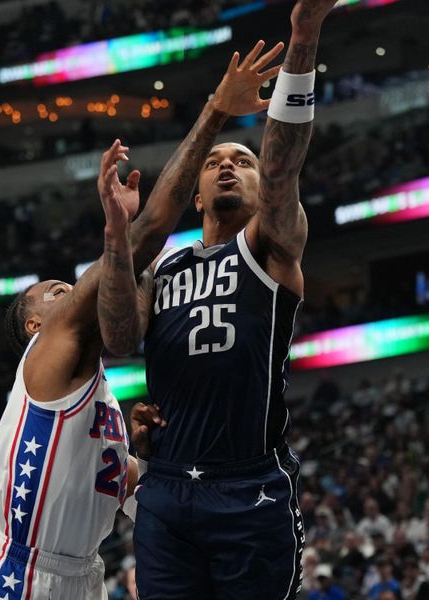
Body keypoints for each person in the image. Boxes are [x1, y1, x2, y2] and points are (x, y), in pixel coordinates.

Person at [0, 41, 274, 599]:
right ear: (37, 327)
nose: (71, 292)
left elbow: (130, 484)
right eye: (58, 291)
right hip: (21, 574)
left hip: (85, 575)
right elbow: (150, 229)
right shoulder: (50, 351)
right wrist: (217, 109)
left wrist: (148, 454)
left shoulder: (99, 399)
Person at [96, 1, 340, 597]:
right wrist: (117, 238)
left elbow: (285, 162)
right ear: (197, 196)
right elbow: (117, 339)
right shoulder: (164, 266)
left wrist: (303, 37)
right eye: (214, 163)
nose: (228, 165)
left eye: (243, 161)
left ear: (262, 191)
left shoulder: (271, 249)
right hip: (170, 485)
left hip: (249, 485)